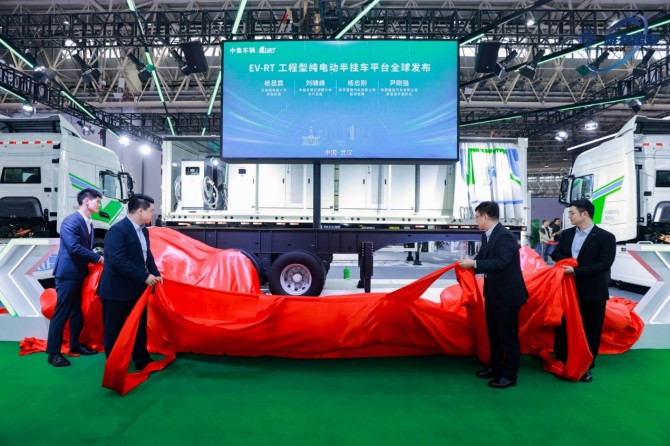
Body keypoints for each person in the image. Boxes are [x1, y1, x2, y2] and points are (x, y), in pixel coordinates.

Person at [459, 201, 528, 389]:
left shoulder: (505, 236)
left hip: (508, 295)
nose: (476, 220)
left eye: (477, 217)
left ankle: (509, 376)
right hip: (493, 293)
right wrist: (467, 266)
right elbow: (483, 258)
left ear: (485, 216)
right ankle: (495, 367)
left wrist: (474, 265)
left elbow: (502, 262)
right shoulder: (487, 236)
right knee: (494, 334)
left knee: (508, 337)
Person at [551, 199, 616, 383]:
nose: (569, 216)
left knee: (590, 329)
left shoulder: (605, 237)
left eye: (572, 213)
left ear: (584, 214)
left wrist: (575, 270)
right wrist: (567, 263)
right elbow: (555, 254)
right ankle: (564, 360)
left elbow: (604, 264)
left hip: (593, 291)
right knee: (564, 327)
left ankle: (586, 366)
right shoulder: (567, 234)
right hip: (567, 289)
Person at [98, 193, 162, 370]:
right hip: (116, 291)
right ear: (140, 211)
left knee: (139, 328)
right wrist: (144, 277)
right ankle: (114, 365)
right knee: (114, 331)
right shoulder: (117, 231)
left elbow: (146, 255)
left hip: (137, 290)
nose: (153, 214)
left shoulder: (144, 231)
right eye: (151, 211)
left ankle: (141, 360)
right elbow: (117, 260)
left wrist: (155, 273)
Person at [47, 188, 103, 367]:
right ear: (86, 201)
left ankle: (75, 344)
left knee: (76, 311)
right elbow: (74, 247)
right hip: (67, 273)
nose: (99, 204)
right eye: (97, 201)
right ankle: (53, 353)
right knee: (62, 312)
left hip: (79, 273)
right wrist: (99, 258)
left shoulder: (89, 222)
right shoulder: (70, 221)